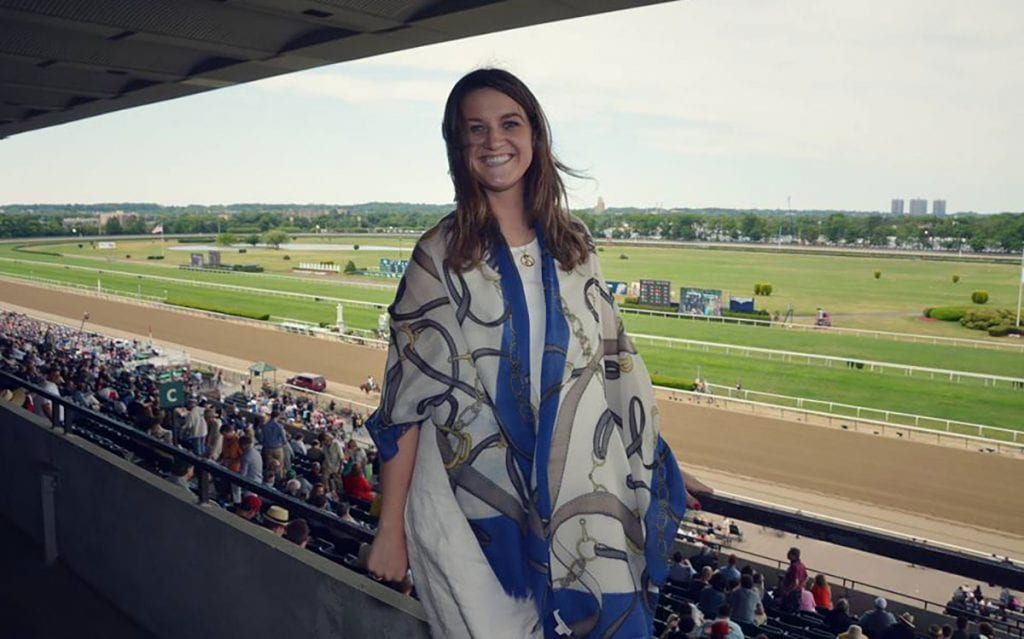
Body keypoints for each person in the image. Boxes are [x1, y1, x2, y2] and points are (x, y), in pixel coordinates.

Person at [363, 67, 709, 638]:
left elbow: (607, 376)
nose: (493, 141)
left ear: (535, 137)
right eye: (475, 129)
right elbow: (406, 404)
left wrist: (654, 460)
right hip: (465, 503)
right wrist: (390, 529)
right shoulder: (439, 256)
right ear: (458, 147)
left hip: (574, 492)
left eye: (508, 123)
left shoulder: (574, 247)